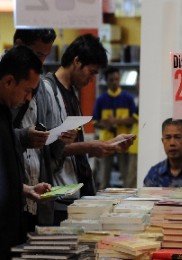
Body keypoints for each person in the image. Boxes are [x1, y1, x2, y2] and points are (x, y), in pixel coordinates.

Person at [43, 33, 134, 225]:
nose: (92, 79)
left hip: (78, 191)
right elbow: (46, 148)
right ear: (77, 61)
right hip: (59, 195)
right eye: (91, 72)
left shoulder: (72, 93)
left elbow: (73, 145)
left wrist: (109, 144)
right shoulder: (47, 90)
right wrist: (89, 147)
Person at [12, 28, 77, 231]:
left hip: (37, 200)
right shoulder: (6, 83)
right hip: (11, 203)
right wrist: (24, 137)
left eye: (45, 56)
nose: (40, 62)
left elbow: (50, 155)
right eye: (37, 54)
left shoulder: (42, 88)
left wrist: (61, 139)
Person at [0, 46, 52, 259]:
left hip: (12, 233)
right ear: (9, 81)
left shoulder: (5, 113)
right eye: (27, 90)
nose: (29, 99)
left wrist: (23, 188)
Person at [92, 67, 137, 189]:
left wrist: (115, 121)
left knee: (127, 178)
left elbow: (134, 119)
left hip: (124, 143)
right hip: (106, 142)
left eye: (117, 79)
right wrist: (106, 124)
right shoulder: (101, 100)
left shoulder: (128, 98)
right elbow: (95, 122)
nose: (114, 82)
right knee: (104, 179)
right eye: (111, 79)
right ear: (106, 81)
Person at [143, 118, 182, 187]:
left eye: (177, 137)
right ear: (162, 141)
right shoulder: (155, 173)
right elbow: (146, 197)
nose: (172, 143)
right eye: (168, 138)